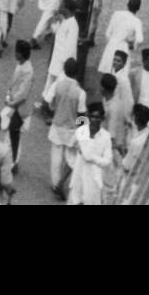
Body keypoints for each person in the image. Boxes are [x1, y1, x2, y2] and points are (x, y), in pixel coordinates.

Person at [45, 57, 83, 199]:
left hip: (57, 125)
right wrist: (83, 137)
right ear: (76, 73)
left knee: (56, 157)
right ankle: (64, 182)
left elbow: (48, 102)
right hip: (71, 130)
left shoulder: (56, 85)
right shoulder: (81, 92)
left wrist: (55, 108)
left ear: (65, 71)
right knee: (70, 158)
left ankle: (56, 183)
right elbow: (82, 114)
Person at [68, 102, 113, 205]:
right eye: (92, 117)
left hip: (93, 179)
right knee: (75, 200)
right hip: (78, 175)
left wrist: (93, 159)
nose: (95, 120)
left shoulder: (105, 136)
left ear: (102, 118)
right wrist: (74, 163)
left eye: (98, 117)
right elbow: (70, 150)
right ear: (88, 116)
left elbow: (107, 160)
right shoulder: (81, 132)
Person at [3, 40, 35, 169]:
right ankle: (10, 161)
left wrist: (11, 102)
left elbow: (23, 94)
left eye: (17, 51)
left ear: (21, 54)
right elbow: (13, 83)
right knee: (10, 136)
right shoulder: (21, 65)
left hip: (19, 109)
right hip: (14, 105)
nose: (15, 53)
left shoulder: (28, 71)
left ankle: (13, 161)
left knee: (15, 136)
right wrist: (8, 94)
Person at [98, 0, 145, 74]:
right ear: (138, 8)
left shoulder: (117, 14)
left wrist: (113, 41)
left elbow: (108, 33)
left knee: (107, 73)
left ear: (128, 4)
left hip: (111, 46)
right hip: (123, 49)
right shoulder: (137, 21)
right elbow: (140, 39)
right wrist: (132, 44)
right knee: (119, 75)